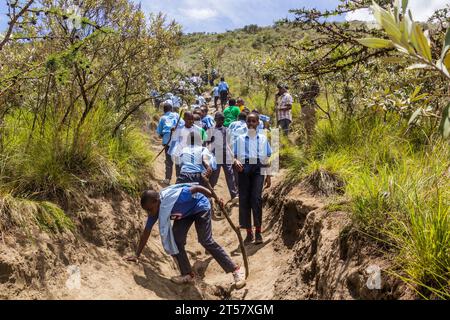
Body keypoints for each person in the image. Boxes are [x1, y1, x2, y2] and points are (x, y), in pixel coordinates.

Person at [126, 186, 246, 288]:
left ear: (157, 201)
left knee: (205, 240)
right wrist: (137, 254)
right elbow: (146, 232)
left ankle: (235, 269)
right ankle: (187, 274)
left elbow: (197, 188)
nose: (149, 213)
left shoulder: (175, 197)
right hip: (185, 214)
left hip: (200, 206)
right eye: (147, 211)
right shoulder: (155, 210)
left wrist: (215, 198)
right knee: (176, 240)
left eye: (150, 209)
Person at [233, 112, 272, 245]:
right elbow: (234, 156)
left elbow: (267, 157)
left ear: (258, 123)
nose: (250, 123)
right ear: (246, 123)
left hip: (258, 169)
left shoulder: (263, 139)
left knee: (256, 199)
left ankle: (258, 232)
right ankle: (249, 233)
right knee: (244, 200)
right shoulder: (239, 139)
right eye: (249, 121)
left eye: (253, 121)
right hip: (243, 169)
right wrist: (235, 161)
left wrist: (269, 176)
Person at [208, 112, 239, 204]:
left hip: (226, 156)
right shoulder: (211, 130)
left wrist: (232, 155)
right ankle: (209, 193)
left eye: (222, 119)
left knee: (230, 175)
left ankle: (234, 196)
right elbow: (208, 143)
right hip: (216, 156)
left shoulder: (226, 129)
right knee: (214, 176)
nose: (221, 121)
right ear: (215, 119)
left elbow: (229, 143)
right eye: (219, 119)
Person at [168, 112, 207, 179]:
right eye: (189, 119)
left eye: (192, 119)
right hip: (179, 154)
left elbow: (204, 140)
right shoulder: (179, 129)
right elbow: (173, 139)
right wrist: (172, 132)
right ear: (184, 119)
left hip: (191, 156)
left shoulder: (197, 129)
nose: (191, 121)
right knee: (179, 174)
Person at [156, 102, 183, 185]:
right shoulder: (176, 115)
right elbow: (183, 124)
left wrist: (161, 135)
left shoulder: (163, 118)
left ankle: (167, 179)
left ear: (164, 110)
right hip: (177, 141)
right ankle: (179, 179)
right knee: (178, 160)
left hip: (167, 141)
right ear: (171, 109)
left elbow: (159, 131)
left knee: (168, 161)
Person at [299, 81, 320, 147]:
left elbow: (301, 101)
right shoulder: (310, 96)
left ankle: (310, 144)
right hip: (309, 109)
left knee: (309, 129)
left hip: (307, 109)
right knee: (310, 128)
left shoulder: (306, 95)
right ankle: (310, 144)